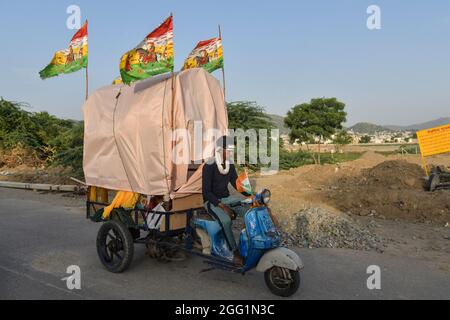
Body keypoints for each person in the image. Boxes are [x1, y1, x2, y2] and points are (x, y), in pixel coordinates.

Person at [202, 136, 246, 265]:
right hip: (212, 201)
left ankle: (249, 244)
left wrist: (252, 196)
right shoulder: (209, 165)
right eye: (230, 150)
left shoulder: (229, 165)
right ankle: (234, 252)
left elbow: (237, 184)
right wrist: (221, 206)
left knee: (249, 212)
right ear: (220, 150)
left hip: (226, 198)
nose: (232, 153)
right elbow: (206, 192)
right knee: (226, 221)